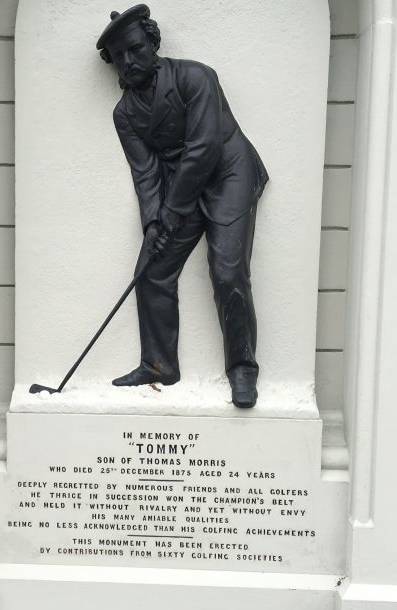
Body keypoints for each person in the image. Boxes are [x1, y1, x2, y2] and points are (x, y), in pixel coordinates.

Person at [97, 4, 269, 408]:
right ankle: (158, 366)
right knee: (152, 270)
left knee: (227, 270)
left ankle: (242, 370)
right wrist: (154, 223)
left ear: (152, 42)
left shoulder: (196, 76)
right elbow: (146, 174)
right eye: (119, 56)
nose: (128, 60)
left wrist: (172, 210)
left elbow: (204, 147)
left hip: (229, 174)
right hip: (180, 188)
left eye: (135, 49)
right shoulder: (125, 114)